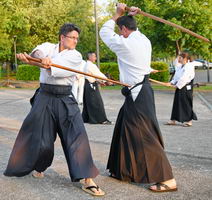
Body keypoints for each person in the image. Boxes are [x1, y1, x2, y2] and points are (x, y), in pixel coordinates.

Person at [4, 23, 105, 196]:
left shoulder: (75, 55)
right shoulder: (47, 47)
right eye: (72, 37)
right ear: (62, 37)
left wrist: (46, 62)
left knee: (77, 135)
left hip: (65, 97)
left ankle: (87, 178)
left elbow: (49, 67)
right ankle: (39, 166)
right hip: (44, 96)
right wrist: (35, 57)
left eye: (76, 38)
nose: (75, 41)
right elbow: (37, 53)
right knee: (42, 138)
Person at [99, 3, 177, 192]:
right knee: (123, 128)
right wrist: (132, 15)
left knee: (144, 134)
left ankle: (167, 179)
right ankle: (123, 170)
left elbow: (104, 33)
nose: (120, 34)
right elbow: (134, 31)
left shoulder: (125, 43)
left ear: (124, 29)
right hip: (142, 91)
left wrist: (117, 14)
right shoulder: (144, 40)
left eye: (121, 31)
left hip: (137, 94)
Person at [165, 51, 197, 127]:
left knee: (186, 103)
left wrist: (177, 85)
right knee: (177, 103)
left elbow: (184, 78)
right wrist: (172, 82)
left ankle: (189, 121)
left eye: (180, 57)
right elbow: (176, 76)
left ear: (185, 58)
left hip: (186, 87)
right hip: (180, 87)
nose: (179, 59)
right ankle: (173, 120)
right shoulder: (180, 66)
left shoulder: (189, 66)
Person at [82, 52, 112, 124]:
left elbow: (94, 76)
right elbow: (98, 75)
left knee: (89, 102)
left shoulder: (87, 65)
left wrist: (101, 81)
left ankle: (88, 118)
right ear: (90, 57)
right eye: (94, 56)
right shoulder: (91, 65)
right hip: (91, 85)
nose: (95, 58)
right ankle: (101, 119)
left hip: (88, 85)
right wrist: (106, 80)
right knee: (97, 102)